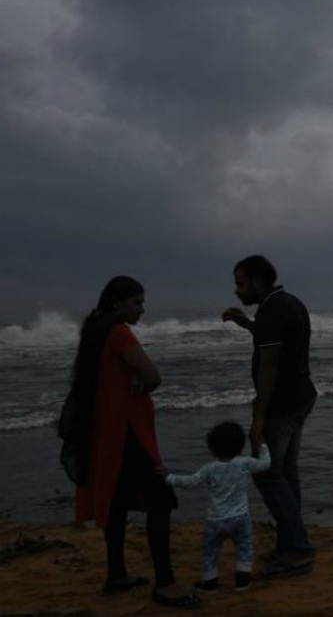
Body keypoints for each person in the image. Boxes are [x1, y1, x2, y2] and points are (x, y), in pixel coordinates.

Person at [70, 276, 202, 609]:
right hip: (128, 432)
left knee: (116, 501)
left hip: (106, 430)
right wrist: (144, 385)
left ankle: (116, 575)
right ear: (117, 302)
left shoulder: (95, 330)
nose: (142, 309)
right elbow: (153, 375)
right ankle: (166, 582)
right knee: (160, 501)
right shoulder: (117, 331)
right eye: (137, 303)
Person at [221, 255, 318, 578]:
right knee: (285, 472)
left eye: (240, 283)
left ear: (258, 281)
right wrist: (248, 325)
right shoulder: (288, 303)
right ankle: (290, 544)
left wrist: (258, 418)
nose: (236, 290)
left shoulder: (273, 309)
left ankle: (298, 548)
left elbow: (270, 365)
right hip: (301, 397)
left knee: (266, 473)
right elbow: (279, 344)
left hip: (282, 403)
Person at [162, 421, 272, 593]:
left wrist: (168, 477)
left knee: (210, 551)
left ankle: (210, 582)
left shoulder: (209, 469)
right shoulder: (245, 463)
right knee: (244, 547)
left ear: (212, 448)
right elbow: (265, 464)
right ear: (240, 446)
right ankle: (242, 579)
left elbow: (190, 482)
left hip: (216, 519)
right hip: (240, 517)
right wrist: (263, 446)